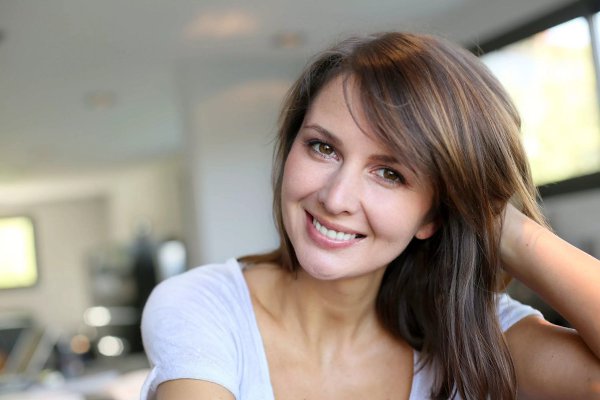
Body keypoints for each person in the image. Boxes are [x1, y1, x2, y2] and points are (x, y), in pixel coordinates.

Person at [140, 32, 600, 399]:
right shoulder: (205, 307)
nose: (336, 197)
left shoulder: (470, 334)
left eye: (390, 174)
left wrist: (503, 226)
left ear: (435, 215)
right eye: (323, 147)